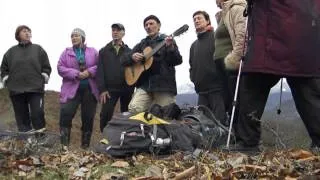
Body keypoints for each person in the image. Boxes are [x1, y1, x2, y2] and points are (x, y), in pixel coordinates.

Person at [233, 0, 320, 152]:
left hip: (269, 31)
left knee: (252, 86)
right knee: (308, 89)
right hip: (304, 30)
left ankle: (248, 143)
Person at [121, 15, 182, 113]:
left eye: (151, 23)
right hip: (145, 85)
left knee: (166, 114)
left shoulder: (167, 40)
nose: (148, 26)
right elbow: (123, 60)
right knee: (134, 109)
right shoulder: (142, 44)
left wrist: (170, 48)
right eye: (146, 25)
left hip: (163, 85)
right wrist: (132, 57)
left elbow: (177, 60)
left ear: (159, 26)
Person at [0, 25, 51, 133]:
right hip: (16, 89)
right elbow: (3, 68)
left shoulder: (38, 49)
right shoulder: (10, 52)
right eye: (24, 31)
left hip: (35, 88)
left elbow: (46, 66)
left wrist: (43, 76)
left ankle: (40, 140)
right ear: (18, 35)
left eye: (29, 31)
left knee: (37, 113)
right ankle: (27, 141)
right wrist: (6, 79)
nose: (27, 33)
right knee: (22, 118)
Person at [57, 28, 99, 150]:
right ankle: (64, 147)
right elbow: (60, 67)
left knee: (88, 117)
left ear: (83, 38)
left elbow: (100, 65)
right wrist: (75, 73)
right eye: (72, 36)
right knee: (65, 114)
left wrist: (89, 72)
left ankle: (85, 147)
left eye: (76, 35)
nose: (74, 38)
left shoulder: (93, 52)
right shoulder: (66, 52)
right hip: (71, 90)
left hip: (90, 90)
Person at [189, 11, 226, 124]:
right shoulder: (193, 45)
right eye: (194, 19)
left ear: (208, 21)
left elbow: (223, 59)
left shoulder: (216, 37)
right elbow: (191, 66)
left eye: (199, 18)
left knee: (220, 123)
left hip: (218, 89)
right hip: (201, 91)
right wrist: (194, 79)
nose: (196, 21)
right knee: (202, 124)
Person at [214, 0, 247, 123]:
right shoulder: (224, 13)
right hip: (221, 63)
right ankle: (234, 132)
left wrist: (235, 57)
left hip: (230, 61)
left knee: (236, 99)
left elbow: (241, 34)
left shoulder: (236, 9)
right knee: (228, 100)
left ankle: (242, 134)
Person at [97, 23, 134, 132]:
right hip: (109, 90)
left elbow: (133, 70)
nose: (115, 32)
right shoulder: (103, 51)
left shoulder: (130, 51)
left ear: (123, 33)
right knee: (105, 115)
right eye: (113, 30)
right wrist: (102, 89)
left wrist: (132, 87)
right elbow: (100, 71)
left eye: (118, 30)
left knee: (126, 116)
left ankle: (125, 141)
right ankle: (104, 139)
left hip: (126, 89)